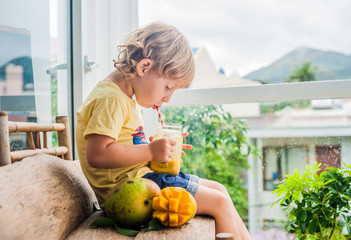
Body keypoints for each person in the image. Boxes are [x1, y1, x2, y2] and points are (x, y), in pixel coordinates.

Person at [75, 22, 252, 240]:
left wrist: (159, 151)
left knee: (220, 189)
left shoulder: (122, 98)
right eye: (168, 87)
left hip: (143, 180)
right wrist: (150, 151)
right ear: (143, 67)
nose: (167, 98)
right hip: (133, 194)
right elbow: (98, 154)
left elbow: (120, 146)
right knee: (220, 202)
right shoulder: (111, 100)